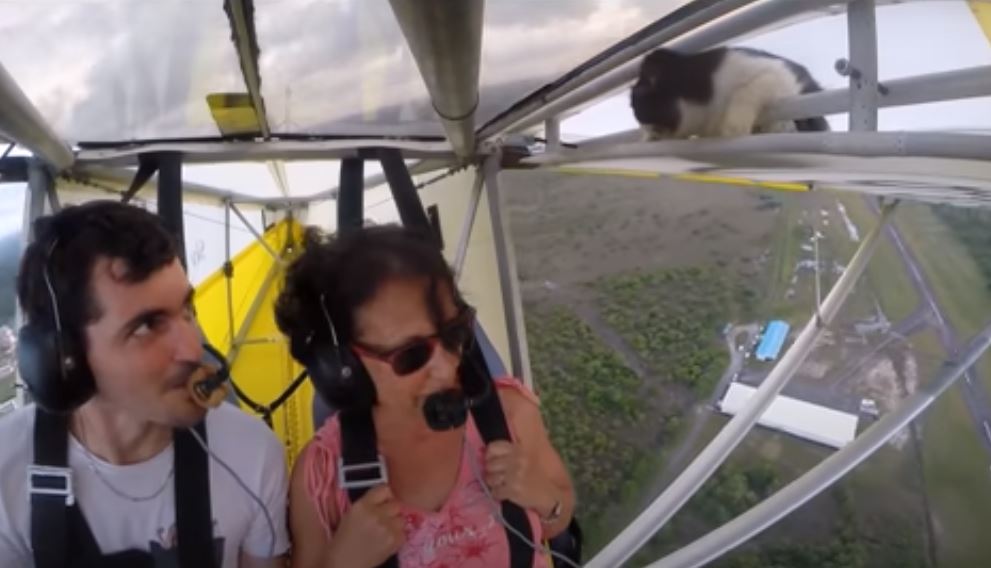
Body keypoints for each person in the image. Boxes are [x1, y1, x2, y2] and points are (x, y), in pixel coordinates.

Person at [0, 200, 290, 567]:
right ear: (64, 359)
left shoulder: (253, 454)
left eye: (188, 310)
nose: (193, 347)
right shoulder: (6, 470)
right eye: (146, 326)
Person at [276, 225, 576, 568]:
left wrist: (543, 496)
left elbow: (560, 518)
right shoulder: (321, 477)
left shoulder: (509, 415)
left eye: (455, 333)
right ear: (344, 368)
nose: (447, 367)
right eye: (412, 354)